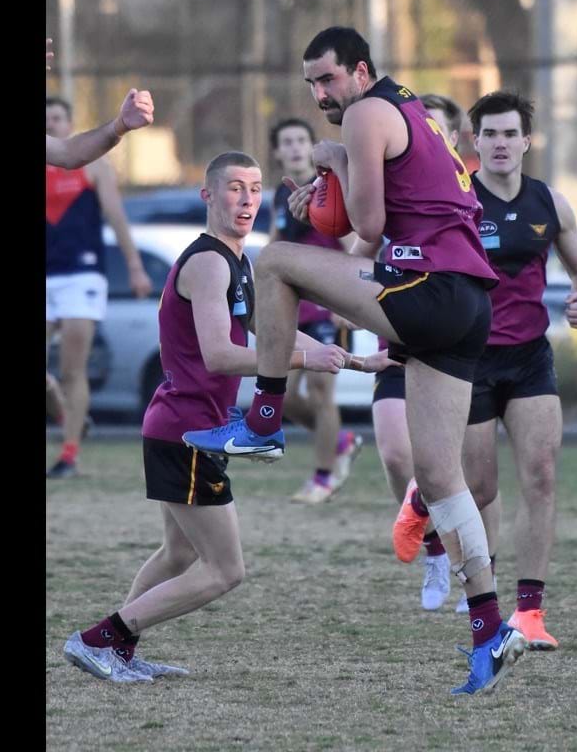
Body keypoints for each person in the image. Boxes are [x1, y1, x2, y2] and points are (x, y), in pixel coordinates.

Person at [182, 27, 523, 695]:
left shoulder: (369, 111)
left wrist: (333, 163)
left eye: (328, 78)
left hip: (433, 287)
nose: (319, 93)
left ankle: (263, 420)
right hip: (468, 302)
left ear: (360, 70)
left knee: (275, 261)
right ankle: (491, 628)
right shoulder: (413, 111)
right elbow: (373, 218)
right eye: (311, 82)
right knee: (438, 474)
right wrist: (328, 194)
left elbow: (366, 226)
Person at [61, 152, 389, 682]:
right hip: (186, 430)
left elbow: (273, 333)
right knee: (225, 570)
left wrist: (355, 359)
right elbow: (219, 354)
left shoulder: (237, 261)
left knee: (176, 553)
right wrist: (304, 359)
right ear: (208, 196)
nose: (247, 200)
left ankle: (115, 646)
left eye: (256, 189)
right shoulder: (209, 262)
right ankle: (103, 638)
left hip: (184, 426)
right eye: (235, 188)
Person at [396, 92, 577, 644]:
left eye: (511, 134)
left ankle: (529, 613)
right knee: (479, 488)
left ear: (527, 141)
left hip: (530, 357)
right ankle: (424, 501)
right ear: (473, 142)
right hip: (469, 357)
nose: (501, 144)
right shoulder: (456, 199)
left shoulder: (550, 204)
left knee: (541, 474)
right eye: (491, 134)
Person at [370, 94, 466, 611]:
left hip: (451, 345)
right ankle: (430, 547)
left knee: (445, 468)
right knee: (394, 454)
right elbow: (362, 245)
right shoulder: (395, 188)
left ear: (451, 138)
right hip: (398, 342)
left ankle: (473, 572)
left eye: (436, 127)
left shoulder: (462, 201)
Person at [46, 96, 152, 477]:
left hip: (81, 275)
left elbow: (117, 218)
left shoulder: (91, 166)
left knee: (73, 368)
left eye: (57, 118)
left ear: (69, 121)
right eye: (46, 120)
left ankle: (69, 454)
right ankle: (69, 416)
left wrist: (135, 267)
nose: (51, 124)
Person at [267, 118, 363, 504]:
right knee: (284, 396)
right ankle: (340, 440)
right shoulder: (279, 195)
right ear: (276, 151)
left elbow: (358, 244)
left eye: (300, 141)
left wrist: (351, 300)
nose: (293, 147)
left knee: (322, 392)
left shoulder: (331, 190)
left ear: (310, 147)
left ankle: (324, 477)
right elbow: (276, 245)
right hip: (293, 309)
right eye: (286, 141)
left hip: (330, 307)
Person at [45, 38, 155, 169]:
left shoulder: (96, 169)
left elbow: (68, 153)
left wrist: (120, 125)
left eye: (56, 119)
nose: (50, 125)